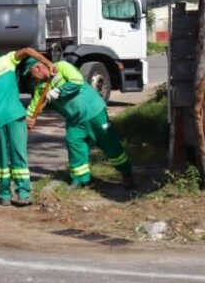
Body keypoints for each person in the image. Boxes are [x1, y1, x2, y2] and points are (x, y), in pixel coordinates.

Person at [23, 58, 135, 189]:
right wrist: (26, 121)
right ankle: (80, 179)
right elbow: (33, 109)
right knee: (74, 145)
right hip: (75, 120)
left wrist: (59, 91)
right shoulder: (41, 88)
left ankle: (127, 174)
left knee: (109, 143)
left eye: (31, 73)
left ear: (38, 67)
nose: (32, 77)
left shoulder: (61, 67)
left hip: (94, 112)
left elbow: (77, 81)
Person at [0, 46, 55, 206]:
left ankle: (4, 195)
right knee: (18, 154)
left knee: (1, 157)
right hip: (15, 114)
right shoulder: (6, 61)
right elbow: (27, 50)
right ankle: (23, 195)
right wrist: (48, 63)